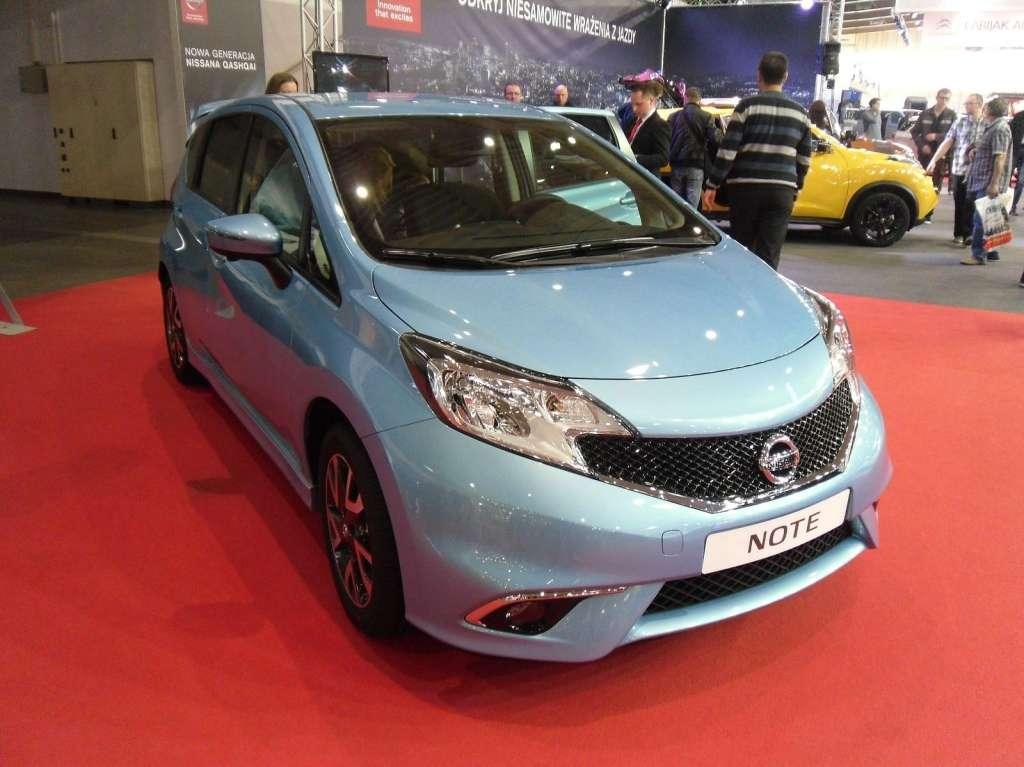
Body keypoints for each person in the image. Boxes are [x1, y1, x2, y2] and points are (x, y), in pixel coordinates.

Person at [704, 51, 812, 271]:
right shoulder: (800, 113)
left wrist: (712, 184)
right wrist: (797, 186)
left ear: (759, 75)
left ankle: (741, 290)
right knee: (770, 253)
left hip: (745, 190)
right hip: (781, 191)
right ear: (785, 76)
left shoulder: (746, 107)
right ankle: (766, 290)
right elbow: (804, 158)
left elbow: (728, 151)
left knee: (743, 251)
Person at [926, 93, 984, 246]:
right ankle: (959, 234)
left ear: (979, 105)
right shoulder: (960, 122)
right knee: (960, 203)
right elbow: (948, 142)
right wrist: (934, 160)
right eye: (966, 103)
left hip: (978, 172)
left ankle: (970, 234)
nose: (966, 106)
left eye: (970, 103)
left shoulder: (987, 124)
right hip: (959, 169)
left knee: (973, 204)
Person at [961, 98, 1013, 266]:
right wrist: (976, 150)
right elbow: (990, 149)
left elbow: (1000, 157)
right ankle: (991, 252)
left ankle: (978, 255)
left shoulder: (1000, 128)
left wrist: (994, 184)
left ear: (989, 109)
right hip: (983, 180)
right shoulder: (993, 127)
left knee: (981, 220)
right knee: (991, 218)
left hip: (987, 182)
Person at [667, 86, 722, 207]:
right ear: (699, 100)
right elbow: (716, 139)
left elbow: (666, 139)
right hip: (696, 165)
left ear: (685, 98)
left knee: (676, 205)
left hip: (676, 165)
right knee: (692, 206)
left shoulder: (673, 117)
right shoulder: (707, 116)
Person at [911, 88, 956, 191]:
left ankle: (934, 199)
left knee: (935, 185)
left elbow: (955, 135)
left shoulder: (952, 115)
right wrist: (922, 146)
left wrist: (937, 136)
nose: (944, 100)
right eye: (942, 98)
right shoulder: (925, 114)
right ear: (937, 98)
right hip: (925, 154)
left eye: (947, 99)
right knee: (921, 182)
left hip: (941, 156)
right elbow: (914, 132)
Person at [624, 81, 670, 174]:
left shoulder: (660, 125)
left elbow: (663, 158)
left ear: (651, 101)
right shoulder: (632, 120)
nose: (634, 109)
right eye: (632, 104)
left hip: (644, 177)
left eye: (638, 104)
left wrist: (635, 159)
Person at [1009, 108, 1024, 216]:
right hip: (1016, 150)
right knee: (1009, 178)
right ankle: (1006, 205)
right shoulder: (1019, 117)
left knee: (1021, 181)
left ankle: (1012, 206)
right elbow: (1010, 133)